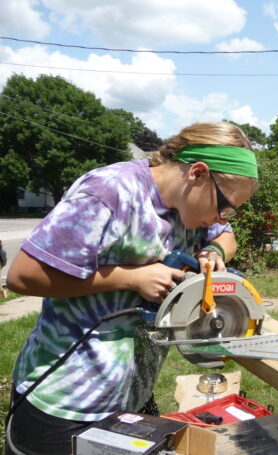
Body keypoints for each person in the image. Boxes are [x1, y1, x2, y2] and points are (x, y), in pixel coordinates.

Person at [5, 121, 259, 455]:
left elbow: (226, 237)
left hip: (127, 398)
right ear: (197, 173)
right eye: (224, 206)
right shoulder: (109, 192)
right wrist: (131, 278)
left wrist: (214, 251)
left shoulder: (190, 209)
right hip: (65, 400)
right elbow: (23, 275)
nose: (222, 217)